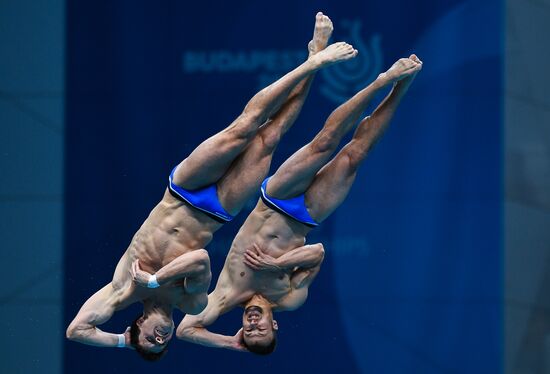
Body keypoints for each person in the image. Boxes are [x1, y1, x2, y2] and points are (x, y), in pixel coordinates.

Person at [66, 12, 356, 361]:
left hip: (182, 192)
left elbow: (77, 331)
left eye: (149, 340)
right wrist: (157, 283)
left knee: (244, 127)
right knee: (270, 136)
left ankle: (313, 62)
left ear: (137, 326)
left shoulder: (121, 290)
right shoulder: (191, 301)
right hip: (218, 210)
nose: (161, 338)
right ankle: (315, 56)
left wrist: (123, 342)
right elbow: (200, 259)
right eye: (163, 344)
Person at [176, 54, 423, 355]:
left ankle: (380, 81)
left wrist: (231, 343)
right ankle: (399, 85)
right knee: (354, 155)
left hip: (274, 202)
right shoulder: (289, 298)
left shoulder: (226, 296)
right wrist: (278, 264)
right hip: (307, 216)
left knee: (324, 143)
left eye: (249, 333)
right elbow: (317, 253)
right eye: (261, 331)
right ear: (274, 325)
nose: (254, 326)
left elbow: (185, 330)